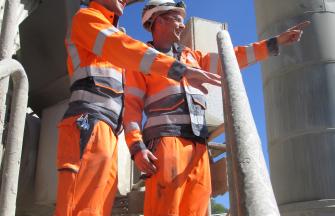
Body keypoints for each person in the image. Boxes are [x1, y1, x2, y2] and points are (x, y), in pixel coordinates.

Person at [123, 0, 309, 215]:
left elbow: (232, 58)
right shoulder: (141, 60)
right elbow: (131, 108)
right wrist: (137, 148)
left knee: (199, 209)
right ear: (159, 20)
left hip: (199, 146)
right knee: (166, 209)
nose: (182, 25)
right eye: (177, 19)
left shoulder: (192, 57)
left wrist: (273, 43)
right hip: (166, 143)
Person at [54, 0, 221, 215]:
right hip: (87, 123)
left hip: (107, 130)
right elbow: (122, 49)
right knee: (77, 206)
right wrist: (179, 70)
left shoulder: (114, 36)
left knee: (94, 209)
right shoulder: (87, 19)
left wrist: (273, 45)